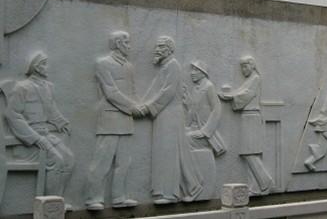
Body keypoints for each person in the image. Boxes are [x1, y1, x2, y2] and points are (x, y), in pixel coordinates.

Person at [6, 52, 75, 207]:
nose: (47, 67)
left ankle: (57, 200)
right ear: (36, 68)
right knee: (56, 160)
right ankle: (50, 204)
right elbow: (12, 114)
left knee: (69, 159)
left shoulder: (48, 87)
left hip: (46, 136)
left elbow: (52, 111)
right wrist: (35, 138)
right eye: (44, 64)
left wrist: (62, 123)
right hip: (25, 142)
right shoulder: (22, 87)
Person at [85, 31, 143, 210]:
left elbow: (133, 91)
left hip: (126, 120)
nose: (129, 46)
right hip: (110, 119)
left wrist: (141, 106)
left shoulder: (129, 67)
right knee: (103, 160)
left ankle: (119, 198)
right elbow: (110, 92)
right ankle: (93, 198)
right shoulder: (103, 64)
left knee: (124, 162)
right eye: (127, 42)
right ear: (118, 43)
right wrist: (133, 107)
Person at [143, 36, 203, 204]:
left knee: (170, 153)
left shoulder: (173, 66)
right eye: (157, 46)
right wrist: (142, 105)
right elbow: (153, 90)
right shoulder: (165, 67)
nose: (157, 49)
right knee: (166, 153)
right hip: (163, 115)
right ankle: (184, 187)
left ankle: (171, 194)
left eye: (161, 47)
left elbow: (167, 92)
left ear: (169, 49)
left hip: (171, 116)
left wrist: (148, 108)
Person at [218, 56, 274, 195]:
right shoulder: (249, 80)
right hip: (247, 116)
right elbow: (241, 90)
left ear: (252, 65)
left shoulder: (256, 78)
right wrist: (230, 95)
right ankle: (255, 187)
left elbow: (247, 94)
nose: (243, 70)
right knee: (248, 153)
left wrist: (231, 97)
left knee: (250, 153)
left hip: (252, 116)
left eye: (245, 66)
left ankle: (266, 182)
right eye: (241, 67)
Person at [183, 60, 225, 196]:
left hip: (206, 133)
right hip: (194, 128)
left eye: (196, 70)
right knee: (179, 138)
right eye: (192, 70)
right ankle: (190, 185)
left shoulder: (208, 86)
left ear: (203, 73)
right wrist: (187, 101)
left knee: (184, 141)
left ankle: (195, 185)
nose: (192, 73)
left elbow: (217, 108)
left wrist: (205, 131)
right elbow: (193, 110)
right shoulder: (197, 88)